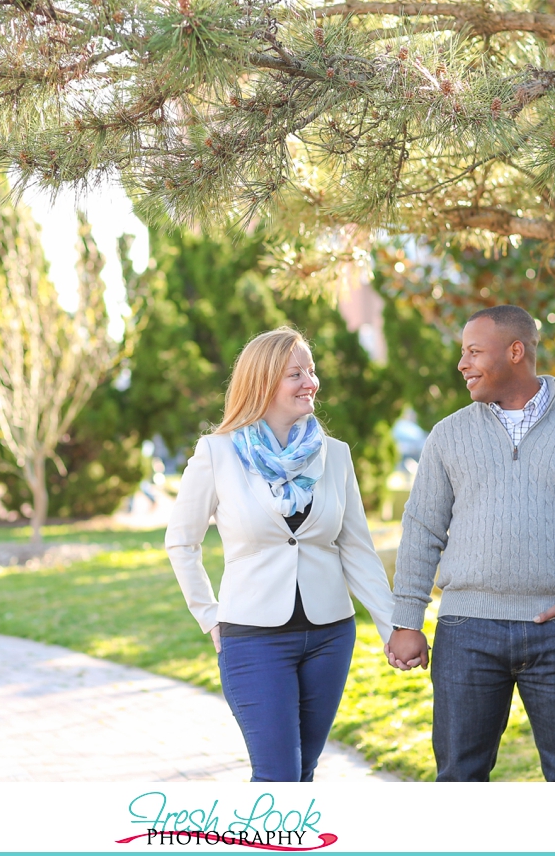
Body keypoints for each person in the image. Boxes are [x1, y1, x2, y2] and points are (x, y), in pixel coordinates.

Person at [385, 305, 555, 782]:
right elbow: (421, 531)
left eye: (473, 352)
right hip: (466, 631)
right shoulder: (448, 436)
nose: (462, 364)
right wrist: (406, 620)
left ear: (516, 352)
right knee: (460, 778)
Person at [165, 327, 397, 782]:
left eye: (311, 371)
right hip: (253, 639)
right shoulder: (218, 453)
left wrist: (392, 628)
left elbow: (356, 548)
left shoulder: (335, 455)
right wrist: (210, 616)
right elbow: (182, 542)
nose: (311, 382)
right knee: (277, 776)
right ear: (263, 382)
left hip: (331, 636)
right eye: (296, 373)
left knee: (304, 771)